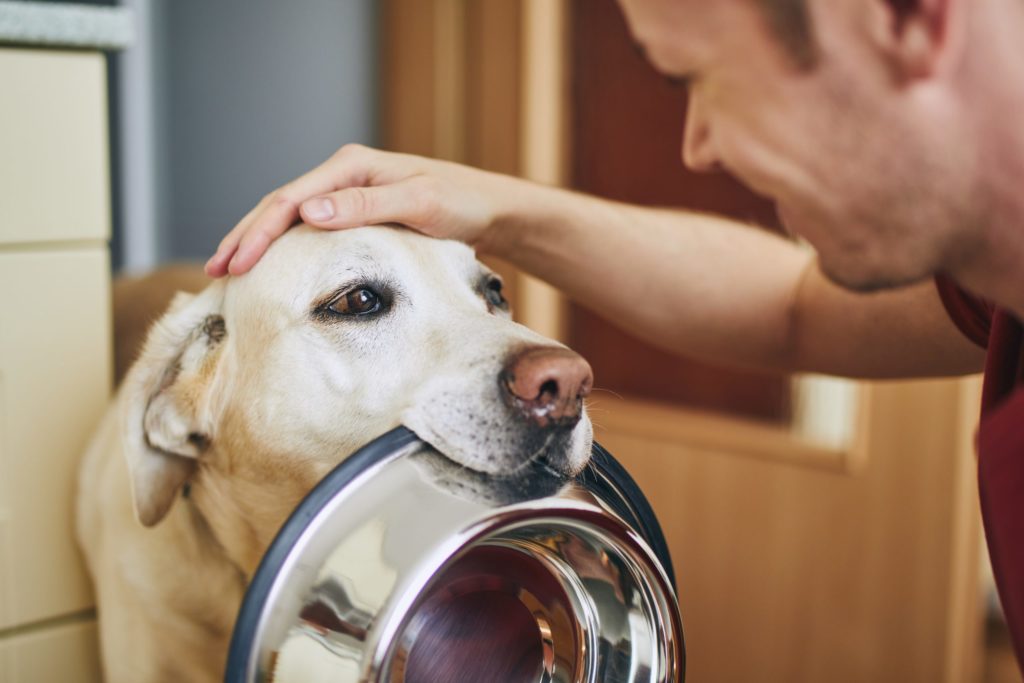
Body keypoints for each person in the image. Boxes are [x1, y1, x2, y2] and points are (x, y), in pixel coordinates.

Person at [204, 0, 1024, 671]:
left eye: (698, 76)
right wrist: (493, 207)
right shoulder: (997, 284)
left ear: (907, 20)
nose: (699, 145)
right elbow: (791, 306)